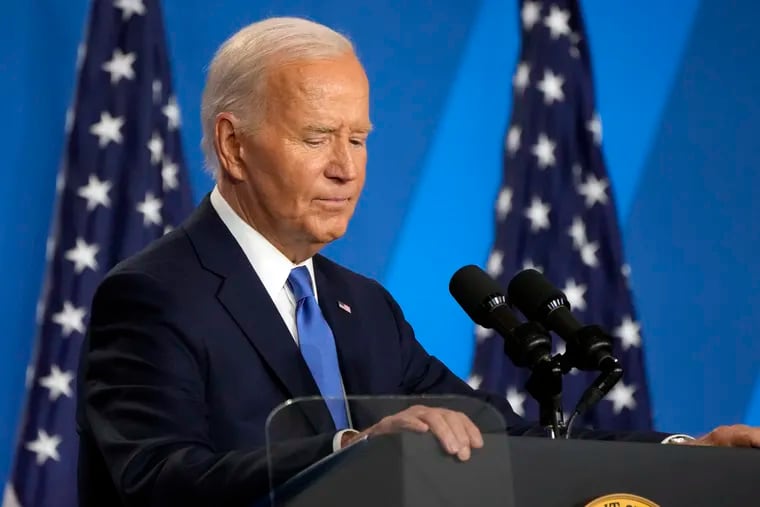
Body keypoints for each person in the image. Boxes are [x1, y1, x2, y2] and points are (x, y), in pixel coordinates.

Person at [76, 16, 760, 507]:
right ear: (233, 145)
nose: (346, 168)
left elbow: (511, 436)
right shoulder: (153, 294)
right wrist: (354, 447)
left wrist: (682, 453)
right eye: (318, 137)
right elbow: (154, 477)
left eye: (359, 138)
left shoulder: (364, 305)